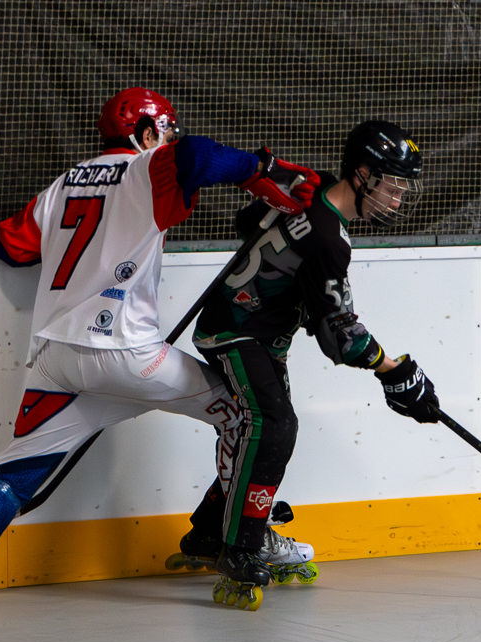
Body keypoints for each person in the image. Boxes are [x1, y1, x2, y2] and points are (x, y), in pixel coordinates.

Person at [0, 87, 319, 607]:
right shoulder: (144, 169)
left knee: (15, 472)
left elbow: (13, 246)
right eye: (164, 132)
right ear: (146, 133)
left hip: (56, 360)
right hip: (129, 357)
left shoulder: (64, 183)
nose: (167, 140)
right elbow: (198, 156)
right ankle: (239, 537)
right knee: (250, 416)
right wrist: (260, 167)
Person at [175, 120, 440, 611]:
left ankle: (212, 531)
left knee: (258, 431)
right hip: (238, 331)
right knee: (274, 425)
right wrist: (396, 371)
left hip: (253, 331)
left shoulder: (310, 190)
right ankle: (241, 548)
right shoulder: (329, 238)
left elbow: (247, 221)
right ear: (361, 175)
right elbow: (340, 336)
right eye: (392, 185)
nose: (399, 200)